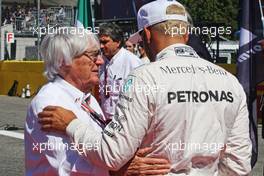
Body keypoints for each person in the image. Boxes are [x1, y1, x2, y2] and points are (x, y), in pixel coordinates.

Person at [38, 0, 252, 175]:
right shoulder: (229, 81)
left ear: (147, 34)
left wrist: (71, 124)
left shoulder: (144, 77)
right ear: (185, 35)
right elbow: (239, 164)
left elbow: (112, 153)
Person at [25, 28, 169, 176]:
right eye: (93, 55)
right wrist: (119, 169)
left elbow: (96, 148)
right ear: (63, 60)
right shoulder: (50, 102)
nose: (100, 61)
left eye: (99, 54)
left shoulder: (87, 98)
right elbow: (64, 167)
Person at [99, 23, 142, 120]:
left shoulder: (133, 62)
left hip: (126, 120)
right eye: (100, 42)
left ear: (117, 42)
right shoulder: (100, 61)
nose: (101, 46)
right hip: (105, 120)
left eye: (105, 42)